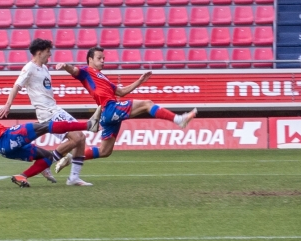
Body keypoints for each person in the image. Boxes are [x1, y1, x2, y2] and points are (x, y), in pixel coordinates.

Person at [56, 47, 197, 184]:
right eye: (99, 58)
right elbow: (74, 71)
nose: (103, 61)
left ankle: (72, 157)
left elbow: (121, 92)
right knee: (147, 103)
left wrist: (140, 81)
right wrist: (65, 66)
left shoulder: (103, 77)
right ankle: (179, 120)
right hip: (110, 108)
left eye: (104, 58)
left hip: (107, 114)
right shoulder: (86, 71)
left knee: (105, 151)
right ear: (90, 59)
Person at [0, 84, 101, 188]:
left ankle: (22, 176)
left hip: (3, 150)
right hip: (6, 137)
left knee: (47, 157)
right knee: (45, 126)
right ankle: (88, 125)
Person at [0, 38, 99, 186]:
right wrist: (8, 105)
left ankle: (74, 178)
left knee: (81, 138)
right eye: (47, 52)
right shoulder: (29, 68)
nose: (50, 55)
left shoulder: (44, 68)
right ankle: (46, 165)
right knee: (77, 138)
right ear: (39, 53)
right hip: (47, 112)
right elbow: (16, 86)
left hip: (54, 109)